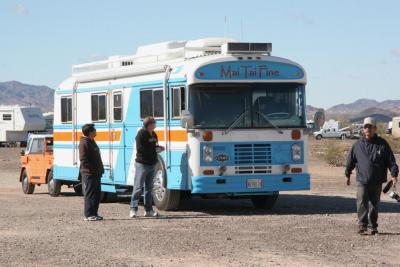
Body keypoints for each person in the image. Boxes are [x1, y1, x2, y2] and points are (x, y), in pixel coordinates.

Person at [345, 117, 398, 234]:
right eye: (365, 127)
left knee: (374, 204)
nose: (367, 129)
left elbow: (391, 161)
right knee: (362, 202)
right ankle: (362, 225)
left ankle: (373, 226)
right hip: (362, 180)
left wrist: (394, 174)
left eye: (370, 127)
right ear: (363, 129)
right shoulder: (357, 145)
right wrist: (347, 174)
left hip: (377, 180)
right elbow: (350, 161)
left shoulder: (382, 144)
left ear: (375, 128)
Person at [129, 117, 164, 218]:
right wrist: (154, 150)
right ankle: (133, 209)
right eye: (154, 123)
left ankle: (148, 210)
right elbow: (140, 149)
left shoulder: (153, 134)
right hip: (142, 164)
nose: (155, 124)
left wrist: (159, 148)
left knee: (149, 188)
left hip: (152, 163)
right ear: (149, 124)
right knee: (138, 187)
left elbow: (155, 146)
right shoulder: (141, 134)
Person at [79, 124, 104, 221]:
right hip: (89, 173)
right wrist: (91, 170)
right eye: (94, 130)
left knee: (97, 194)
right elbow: (83, 159)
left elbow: (97, 156)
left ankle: (94, 213)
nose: (96, 131)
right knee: (90, 194)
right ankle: (88, 214)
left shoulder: (92, 141)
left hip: (96, 173)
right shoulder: (84, 143)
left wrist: (100, 169)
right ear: (90, 132)